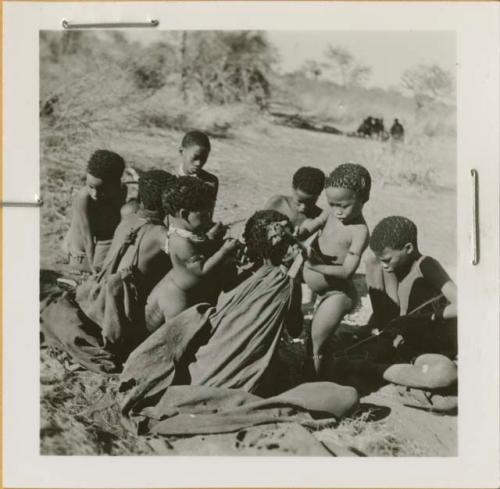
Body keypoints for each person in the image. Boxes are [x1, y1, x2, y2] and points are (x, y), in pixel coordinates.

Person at [297, 163, 371, 376]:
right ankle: (318, 373)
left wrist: (314, 265)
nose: (337, 210)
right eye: (332, 204)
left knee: (316, 341)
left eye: (344, 205)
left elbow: (347, 271)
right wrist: (299, 232)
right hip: (321, 286)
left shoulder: (359, 232)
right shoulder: (331, 212)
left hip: (337, 295)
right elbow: (313, 224)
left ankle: (314, 383)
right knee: (313, 339)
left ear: (363, 198)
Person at [145, 176, 238, 327]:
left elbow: (199, 243)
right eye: (205, 215)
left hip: (183, 287)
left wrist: (211, 236)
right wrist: (224, 251)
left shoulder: (186, 231)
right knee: (176, 333)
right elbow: (200, 271)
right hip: (179, 297)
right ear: (185, 214)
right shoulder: (181, 242)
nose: (209, 219)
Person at [364, 215, 457, 360]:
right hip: (405, 332)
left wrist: (425, 318)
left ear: (408, 248)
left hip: (430, 338)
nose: (384, 264)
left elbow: (463, 305)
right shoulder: (396, 267)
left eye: (388, 259)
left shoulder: (426, 265)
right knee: (372, 263)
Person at [62, 149, 127, 274]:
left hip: (101, 243)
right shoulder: (84, 197)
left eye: (102, 189)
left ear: (115, 184)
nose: (95, 194)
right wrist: (93, 268)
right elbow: (87, 239)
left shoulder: (121, 190)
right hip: (82, 253)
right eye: (90, 187)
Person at [176, 130, 219, 197]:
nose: (198, 163)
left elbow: (208, 207)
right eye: (195, 157)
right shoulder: (166, 178)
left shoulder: (209, 182)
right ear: (181, 151)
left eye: (203, 159)